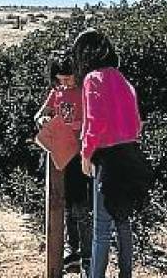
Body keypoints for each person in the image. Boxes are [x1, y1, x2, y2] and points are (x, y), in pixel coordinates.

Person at [72, 29, 151, 278]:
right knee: (123, 221)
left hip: (107, 159)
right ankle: (126, 274)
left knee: (101, 228)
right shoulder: (122, 78)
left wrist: (86, 153)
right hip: (130, 153)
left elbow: (95, 121)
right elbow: (137, 122)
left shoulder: (92, 79)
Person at [34, 52, 92, 274]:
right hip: (60, 155)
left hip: (79, 156)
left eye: (69, 78)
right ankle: (72, 249)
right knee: (65, 205)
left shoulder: (84, 91)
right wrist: (43, 119)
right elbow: (41, 114)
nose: (65, 83)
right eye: (61, 79)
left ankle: (87, 253)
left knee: (81, 207)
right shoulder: (56, 92)